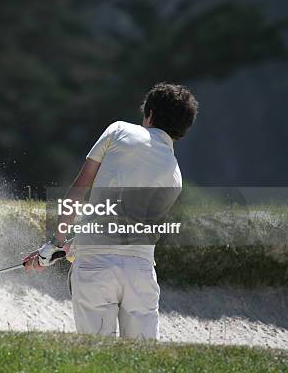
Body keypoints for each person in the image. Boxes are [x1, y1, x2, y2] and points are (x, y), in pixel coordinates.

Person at [23, 82, 198, 339]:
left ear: (149, 114)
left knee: (97, 356)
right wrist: (65, 249)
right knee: (140, 359)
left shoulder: (118, 130)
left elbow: (79, 189)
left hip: (95, 266)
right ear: (183, 130)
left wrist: (55, 243)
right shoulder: (175, 176)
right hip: (140, 271)